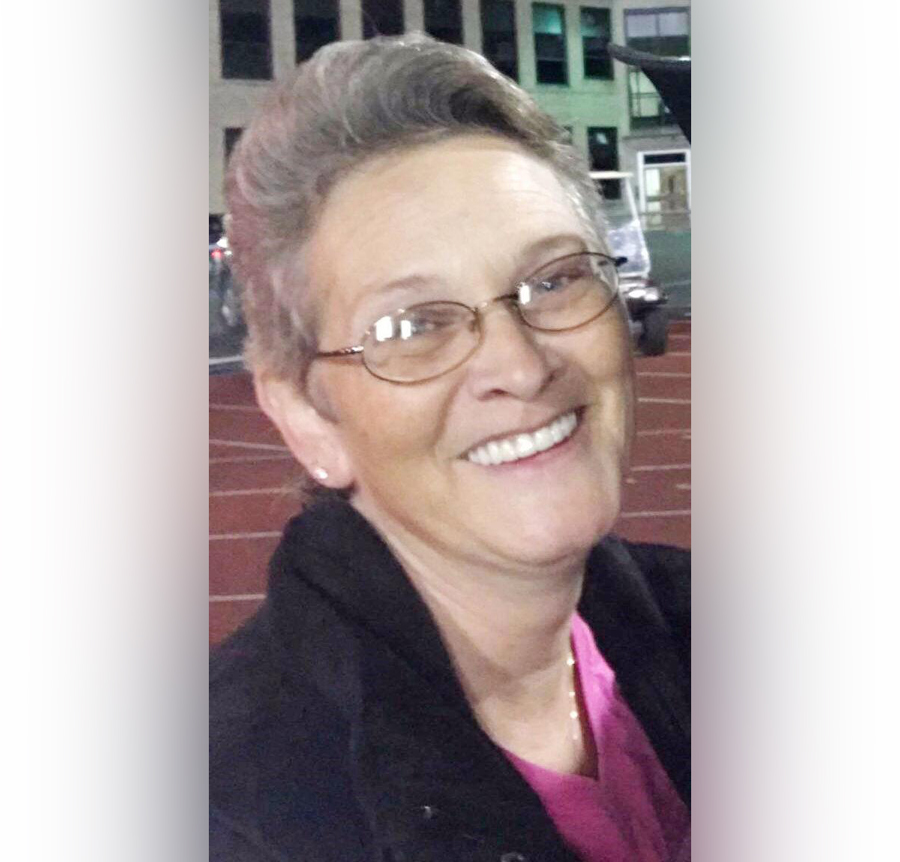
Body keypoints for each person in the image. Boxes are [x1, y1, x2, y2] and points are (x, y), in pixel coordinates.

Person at [210, 34, 690, 862]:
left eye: (554, 280)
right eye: (413, 326)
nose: (521, 365)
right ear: (306, 417)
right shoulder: (227, 813)